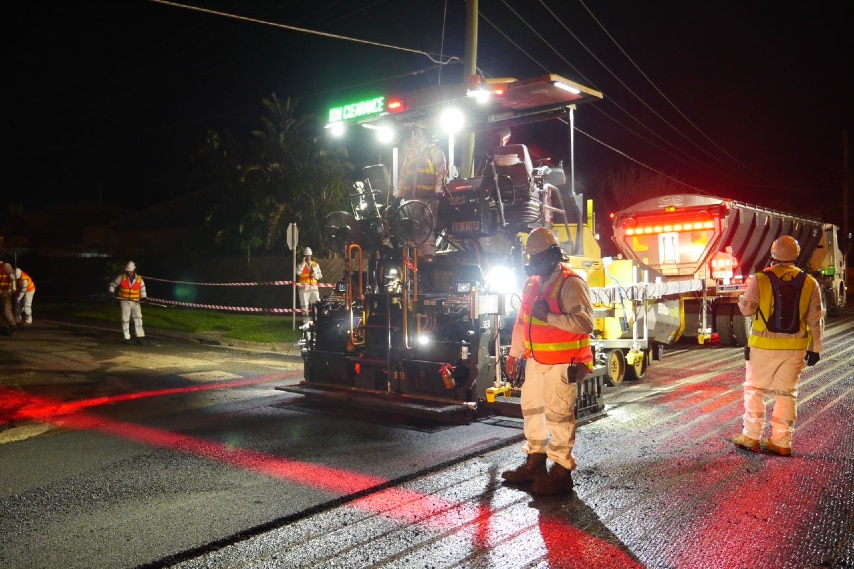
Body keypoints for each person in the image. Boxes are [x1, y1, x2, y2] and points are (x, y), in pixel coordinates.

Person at [501, 227, 595, 496]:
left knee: (559, 415)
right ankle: (535, 462)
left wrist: (549, 317)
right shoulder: (532, 282)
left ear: (553, 256)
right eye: (531, 259)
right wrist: (514, 354)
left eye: (538, 258)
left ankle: (561, 472)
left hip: (562, 364)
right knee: (532, 412)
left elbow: (585, 323)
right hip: (536, 362)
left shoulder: (571, 283)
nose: (533, 264)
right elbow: (523, 321)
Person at [733, 235, 823, 457]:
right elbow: (815, 319)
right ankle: (782, 441)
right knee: (786, 393)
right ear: (796, 255)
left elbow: (746, 310)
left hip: (762, 347)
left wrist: (743, 300)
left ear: (773, 254)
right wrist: (815, 349)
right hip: (795, 347)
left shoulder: (761, 278)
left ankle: (752, 437)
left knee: (755, 390)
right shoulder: (810, 282)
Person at [395, 121, 447, 258]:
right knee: (413, 227)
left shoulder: (435, 152)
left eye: (416, 132)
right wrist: (399, 194)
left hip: (429, 197)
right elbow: (403, 175)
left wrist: (437, 191)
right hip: (411, 198)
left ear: (424, 134)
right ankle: (415, 256)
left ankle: (428, 255)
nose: (414, 135)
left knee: (427, 227)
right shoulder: (410, 155)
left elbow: (441, 173)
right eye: (413, 132)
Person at [108, 260, 147, 345]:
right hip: (124, 301)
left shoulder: (139, 279)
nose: (129, 273)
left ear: (134, 270)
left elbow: (142, 288)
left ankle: (140, 337)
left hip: (136, 301)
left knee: (138, 318)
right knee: (125, 319)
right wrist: (111, 292)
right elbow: (113, 284)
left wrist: (144, 297)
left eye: (131, 271)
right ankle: (126, 337)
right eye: (128, 271)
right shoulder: (121, 277)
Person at [297, 247, 322, 325]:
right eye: (306, 256)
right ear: (304, 256)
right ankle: (306, 322)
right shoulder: (300, 265)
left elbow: (320, 275)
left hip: (313, 287)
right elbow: (298, 272)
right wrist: (303, 263)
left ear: (311, 256)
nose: (308, 257)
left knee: (316, 303)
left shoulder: (315, 265)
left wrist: (315, 275)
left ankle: (317, 320)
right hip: (303, 288)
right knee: (304, 305)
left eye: (309, 256)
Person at [0, 255, 17, 335]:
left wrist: (13, 288)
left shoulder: (6, 266)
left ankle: (11, 324)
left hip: (5, 291)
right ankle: (4, 326)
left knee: (6, 309)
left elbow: (12, 277)